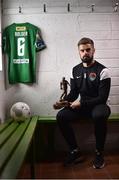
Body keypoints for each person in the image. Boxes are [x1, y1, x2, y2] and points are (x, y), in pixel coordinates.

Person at [53, 37, 111, 169]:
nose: (85, 53)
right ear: (79, 52)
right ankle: (74, 151)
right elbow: (74, 93)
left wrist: (81, 103)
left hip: (99, 106)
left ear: (93, 51)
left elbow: (102, 98)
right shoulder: (75, 70)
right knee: (61, 116)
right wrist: (64, 102)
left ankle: (99, 153)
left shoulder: (103, 71)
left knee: (99, 115)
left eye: (88, 50)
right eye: (82, 50)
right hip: (83, 107)